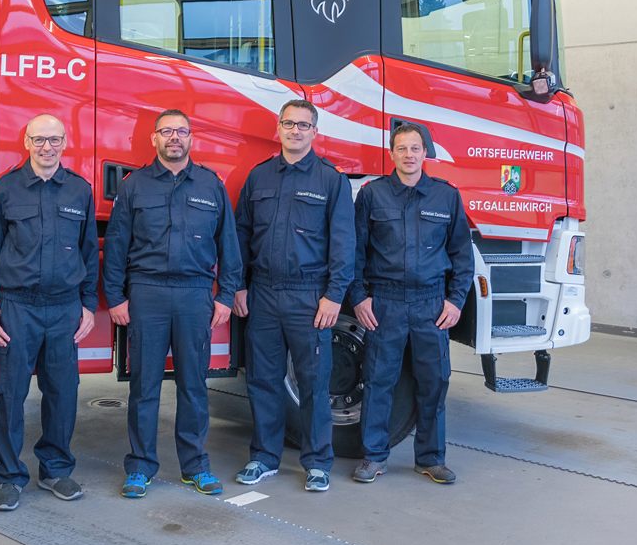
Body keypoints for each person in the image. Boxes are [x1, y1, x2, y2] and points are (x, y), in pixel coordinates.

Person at [103, 109, 242, 499]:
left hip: (195, 294)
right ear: (154, 139)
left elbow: (228, 245)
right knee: (144, 386)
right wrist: (116, 297)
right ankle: (141, 467)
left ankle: (195, 465)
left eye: (181, 132)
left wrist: (226, 295)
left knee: (194, 385)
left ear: (191, 138)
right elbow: (116, 246)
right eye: (167, 132)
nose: (174, 138)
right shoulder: (134, 186)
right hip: (146, 293)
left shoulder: (211, 185)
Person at [0, 114, 98, 511]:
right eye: (39, 139)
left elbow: (89, 252)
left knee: (63, 393)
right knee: (11, 393)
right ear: (26, 142)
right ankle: (9, 476)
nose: (47, 147)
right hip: (17, 308)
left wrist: (88, 305)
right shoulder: (6, 189)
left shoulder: (79, 190)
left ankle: (56, 469)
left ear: (65, 142)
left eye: (55, 140)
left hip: (64, 309)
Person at [232, 99, 354, 493]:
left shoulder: (330, 181)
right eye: (289, 123)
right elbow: (242, 235)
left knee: (314, 383)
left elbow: (343, 242)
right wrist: (239, 285)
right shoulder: (259, 177)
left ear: (315, 132)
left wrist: (334, 296)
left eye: (304, 125)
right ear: (278, 128)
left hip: (309, 296)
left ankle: (318, 462)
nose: (296, 131)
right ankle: (264, 457)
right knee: (263, 380)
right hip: (264, 294)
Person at [349, 122, 473, 485]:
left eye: (415, 148)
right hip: (384, 304)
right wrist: (358, 297)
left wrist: (455, 301)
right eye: (401, 148)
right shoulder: (372, 195)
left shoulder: (445, 196)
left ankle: (431, 459)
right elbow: (355, 252)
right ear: (392, 154)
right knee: (377, 381)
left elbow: (462, 256)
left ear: (425, 153)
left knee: (434, 382)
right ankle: (373, 457)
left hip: (431, 306)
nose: (408, 155)